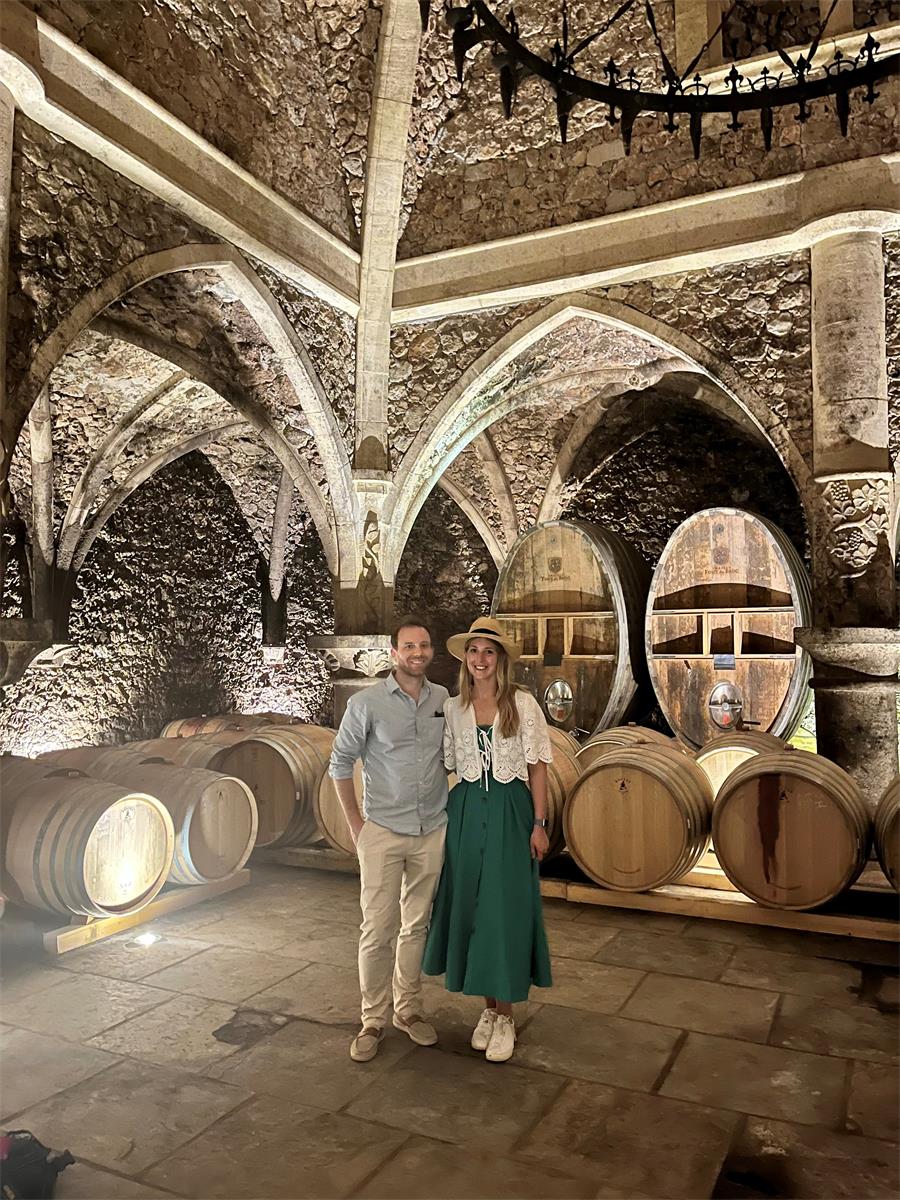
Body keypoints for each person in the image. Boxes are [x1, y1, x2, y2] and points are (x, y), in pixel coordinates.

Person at [423, 616, 553, 1063]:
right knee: (473, 909)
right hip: (465, 811)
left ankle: (507, 1015)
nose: (480, 659)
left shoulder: (522, 704)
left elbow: (538, 767)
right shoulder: (454, 708)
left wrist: (539, 823)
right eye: (474, 651)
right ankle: (489, 1010)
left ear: (500, 659)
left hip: (510, 810)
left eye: (489, 651)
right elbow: (446, 765)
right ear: (465, 658)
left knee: (502, 911)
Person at [329, 615, 449, 1063]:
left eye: (424, 645)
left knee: (416, 925)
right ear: (394, 653)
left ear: (431, 651)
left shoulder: (442, 699)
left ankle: (408, 1009)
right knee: (377, 929)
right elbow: (340, 763)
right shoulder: (367, 703)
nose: (418, 653)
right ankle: (372, 1019)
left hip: (431, 829)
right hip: (382, 830)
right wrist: (356, 827)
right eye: (409, 646)